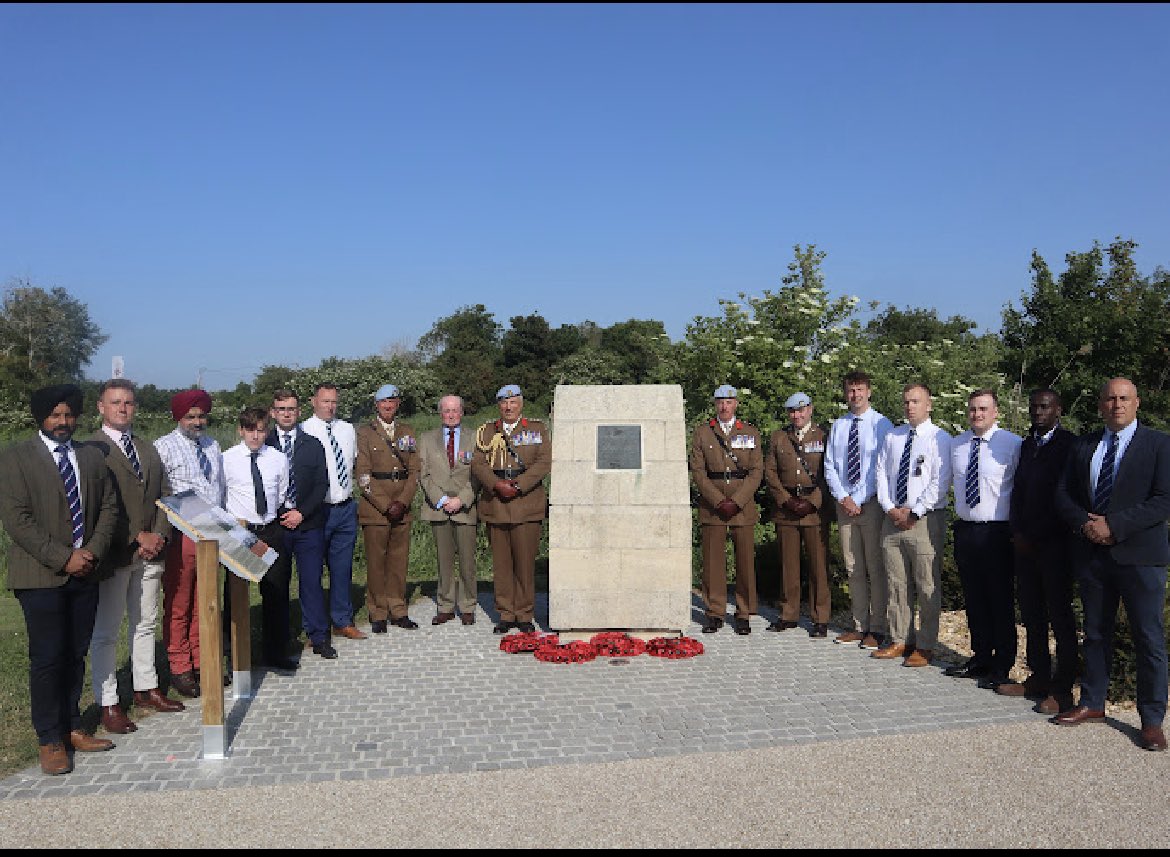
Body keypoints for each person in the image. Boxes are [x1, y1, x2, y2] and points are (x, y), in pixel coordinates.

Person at [0, 384, 119, 775]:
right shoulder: (16, 458)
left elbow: (108, 508)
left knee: (75, 652)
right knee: (48, 658)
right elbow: (18, 521)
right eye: (55, 416)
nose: (63, 422)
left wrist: (92, 553)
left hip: (86, 571)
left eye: (68, 415)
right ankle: (49, 738)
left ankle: (71, 726)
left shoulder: (90, 455)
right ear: (41, 418)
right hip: (40, 576)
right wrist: (63, 557)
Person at [1053, 378, 1170, 752]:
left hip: (1140, 557)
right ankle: (1092, 702)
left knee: (1148, 639)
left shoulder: (1159, 444)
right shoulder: (1085, 444)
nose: (1116, 404)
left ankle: (1151, 719)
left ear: (1137, 403)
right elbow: (1063, 494)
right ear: (1100, 405)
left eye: (1123, 398)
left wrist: (1114, 525)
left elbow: (1164, 499)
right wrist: (1084, 523)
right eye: (1109, 398)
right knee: (1096, 633)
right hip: (1093, 555)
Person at [85, 379, 185, 737]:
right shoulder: (91, 449)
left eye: (128, 402)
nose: (123, 408)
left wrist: (158, 533)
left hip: (151, 551)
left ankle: (147, 688)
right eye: (115, 402)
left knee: (145, 622)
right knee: (107, 631)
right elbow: (96, 506)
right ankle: (108, 701)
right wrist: (133, 537)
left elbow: (164, 493)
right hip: (115, 554)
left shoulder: (146, 448)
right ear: (101, 407)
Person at [996, 388, 1079, 713]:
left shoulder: (1069, 446)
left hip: (1055, 545)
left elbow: (1065, 498)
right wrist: (1017, 531)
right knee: (1032, 615)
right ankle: (1039, 675)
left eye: (1044, 407)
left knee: (1060, 617)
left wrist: (1036, 534)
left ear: (1058, 410)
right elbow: (1017, 493)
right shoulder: (1027, 444)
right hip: (1025, 546)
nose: (1037, 412)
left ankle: (1062, 688)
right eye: (1033, 407)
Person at [945, 389, 1022, 689]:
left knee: (1000, 599)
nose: (977, 414)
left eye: (983, 409)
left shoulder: (1012, 444)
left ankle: (1002, 664)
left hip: (998, 531)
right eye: (973, 409)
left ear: (996, 412)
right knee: (974, 598)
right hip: (967, 529)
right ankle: (980, 657)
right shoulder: (958, 444)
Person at [873, 383, 952, 668]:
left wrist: (914, 512)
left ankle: (926, 645)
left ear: (928, 405)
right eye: (906, 402)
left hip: (925, 520)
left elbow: (940, 481)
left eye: (916, 402)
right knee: (896, 583)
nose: (910, 407)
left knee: (926, 584)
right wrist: (890, 508)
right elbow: (880, 473)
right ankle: (900, 639)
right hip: (892, 518)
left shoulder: (940, 438)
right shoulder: (894, 436)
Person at [154, 389, 226, 697]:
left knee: (206, 600)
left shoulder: (212, 445)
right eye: (190, 417)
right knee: (180, 601)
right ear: (179, 418)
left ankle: (202, 660)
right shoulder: (164, 448)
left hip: (213, 533)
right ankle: (179, 665)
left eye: (201, 416)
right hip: (181, 533)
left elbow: (219, 487)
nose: (197, 422)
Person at [470, 384, 550, 634]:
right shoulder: (486, 432)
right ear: (499, 406)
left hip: (526, 502)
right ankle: (505, 614)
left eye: (513, 402)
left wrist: (519, 485)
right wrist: (496, 485)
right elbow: (478, 463)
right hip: (496, 502)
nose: (508, 407)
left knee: (525, 563)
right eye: (504, 403)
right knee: (502, 564)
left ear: (521, 404)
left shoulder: (535, 429)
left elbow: (544, 461)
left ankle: (525, 614)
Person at [823, 371, 893, 649]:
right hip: (845, 506)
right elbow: (830, 465)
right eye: (851, 390)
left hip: (871, 504)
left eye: (860, 389)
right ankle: (859, 624)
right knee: (853, 568)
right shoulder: (839, 425)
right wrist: (843, 497)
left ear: (869, 391)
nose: (855, 395)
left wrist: (859, 498)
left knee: (875, 568)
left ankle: (877, 628)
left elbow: (882, 467)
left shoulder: (882, 424)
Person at [222, 407, 294, 670]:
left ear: (267, 430)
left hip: (270, 529)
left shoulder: (277, 458)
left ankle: (275, 652)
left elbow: (282, 492)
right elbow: (221, 496)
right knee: (235, 596)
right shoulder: (226, 459)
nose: (255, 435)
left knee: (275, 593)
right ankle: (234, 656)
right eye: (250, 430)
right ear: (241, 431)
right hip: (241, 532)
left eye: (261, 430)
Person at [688, 384, 763, 635]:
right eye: (720, 401)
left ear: (736, 404)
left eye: (729, 402)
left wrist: (738, 500)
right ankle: (714, 611)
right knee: (713, 562)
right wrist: (718, 500)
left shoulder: (750, 432)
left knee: (744, 561)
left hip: (742, 504)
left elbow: (756, 471)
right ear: (715, 404)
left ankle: (743, 612)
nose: (724, 406)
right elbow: (698, 471)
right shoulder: (703, 433)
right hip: (713, 505)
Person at [267, 390, 336, 660]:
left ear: (299, 412)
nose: (286, 413)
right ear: (273, 412)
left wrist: (301, 513)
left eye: (292, 409)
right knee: (276, 586)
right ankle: (278, 645)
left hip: (309, 525)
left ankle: (319, 637)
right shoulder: (265, 442)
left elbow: (322, 485)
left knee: (311, 583)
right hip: (277, 527)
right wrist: (283, 513)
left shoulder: (312, 443)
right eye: (281, 408)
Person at [300, 383, 366, 640]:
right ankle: (314, 627)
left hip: (345, 508)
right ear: (313, 401)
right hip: (317, 511)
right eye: (325, 401)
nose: (330, 406)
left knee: (342, 568)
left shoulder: (347, 429)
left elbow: (356, 464)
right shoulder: (304, 430)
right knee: (312, 572)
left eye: (334, 402)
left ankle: (342, 620)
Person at [764, 392, 831, 636]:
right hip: (787, 509)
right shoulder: (779, 437)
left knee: (818, 566)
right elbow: (770, 472)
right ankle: (788, 614)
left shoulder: (824, 435)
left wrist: (813, 501)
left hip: (814, 509)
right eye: (793, 411)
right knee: (788, 565)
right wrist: (785, 499)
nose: (797, 415)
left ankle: (820, 617)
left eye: (801, 410)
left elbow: (829, 473)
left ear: (810, 410)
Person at [354, 384, 420, 632]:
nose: (388, 405)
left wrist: (403, 502)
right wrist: (385, 504)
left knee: (398, 561)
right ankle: (378, 612)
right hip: (376, 509)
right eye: (383, 402)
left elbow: (414, 471)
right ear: (376, 405)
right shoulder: (365, 433)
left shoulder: (407, 431)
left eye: (392, 401)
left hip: (402, 506)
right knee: (376, 562)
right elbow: (362, 475)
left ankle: (398, 609)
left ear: (398, 403)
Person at [418, 394, 480, 626]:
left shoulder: (474, 438)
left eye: (455, 410)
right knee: (444, 560)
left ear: (462, 412)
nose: (451, 414)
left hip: (465, 507)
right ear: (440, 413)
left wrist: (461, 499)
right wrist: (442, 499)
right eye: (446, 410)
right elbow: (423, 474)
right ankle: (445, 605)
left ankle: (467, 605)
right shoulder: (426, 439)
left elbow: (478, 474)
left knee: (467, 561)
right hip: (438, 508)